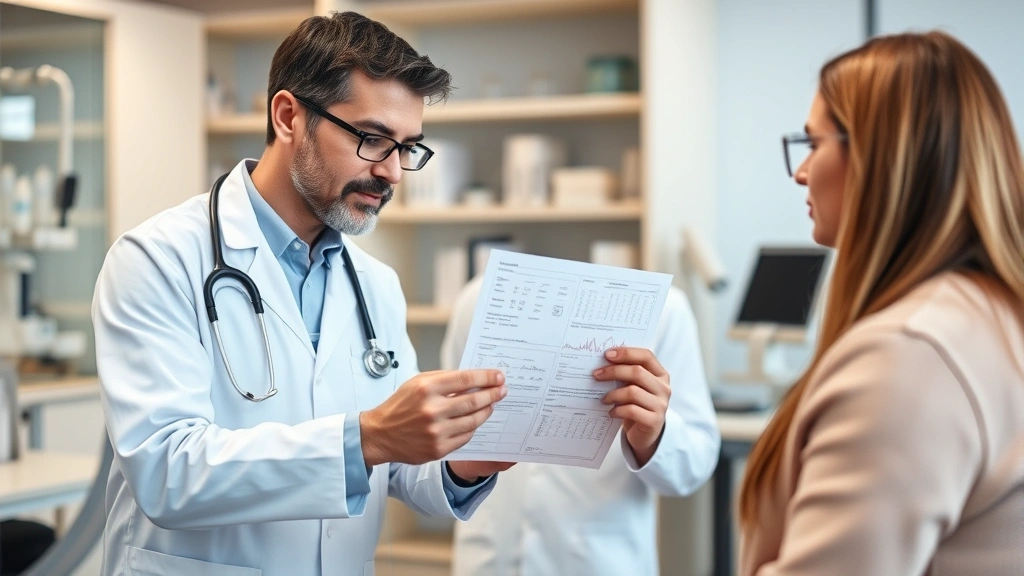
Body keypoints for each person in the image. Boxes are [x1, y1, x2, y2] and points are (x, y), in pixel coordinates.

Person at [92, 13, 515, 576]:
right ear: (289, 116)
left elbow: (395, 466)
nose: (392, 172)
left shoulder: (376, 286)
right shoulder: (157, 259)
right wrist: (367, 437)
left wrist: (466, 461)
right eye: (372, 139)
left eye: (408, 148)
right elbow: (168, 473)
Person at [739, 31, 1024, 575]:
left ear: (877, 155)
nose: (801, 172)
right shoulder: (988, 317)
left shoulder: (910, 356)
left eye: (813, 144)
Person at [445, 276, 721, 575]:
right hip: (489, 556)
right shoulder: (478, 297)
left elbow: (695, 464)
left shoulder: (666, 308)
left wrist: (654, 437)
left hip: (600, 561)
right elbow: (449, 431)